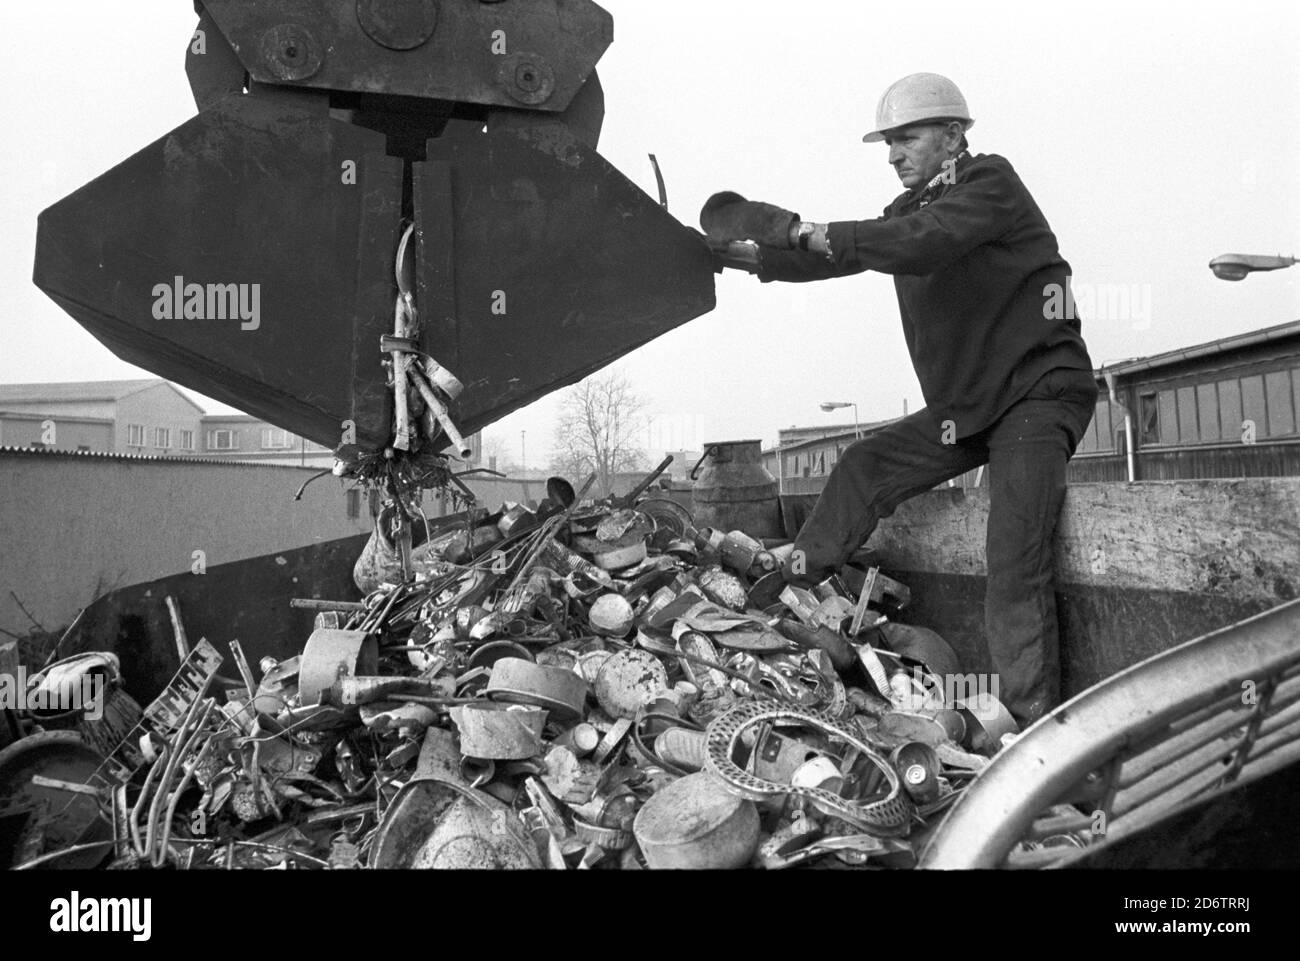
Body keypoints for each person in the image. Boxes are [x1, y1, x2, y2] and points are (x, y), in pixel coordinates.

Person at [701, 73, 1098, 726]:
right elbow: (845, 256)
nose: (892, 155)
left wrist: (803, 228)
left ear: (952, 135)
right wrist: (746, 256)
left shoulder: (989, 185)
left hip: (1035, 395)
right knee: (865, 465)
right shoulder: (908, 210)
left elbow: (923, 244)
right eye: (887, 143)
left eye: (905, 139)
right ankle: (794, 577)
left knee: (1014, 556)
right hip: (970, 406)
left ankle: (1030, 732)